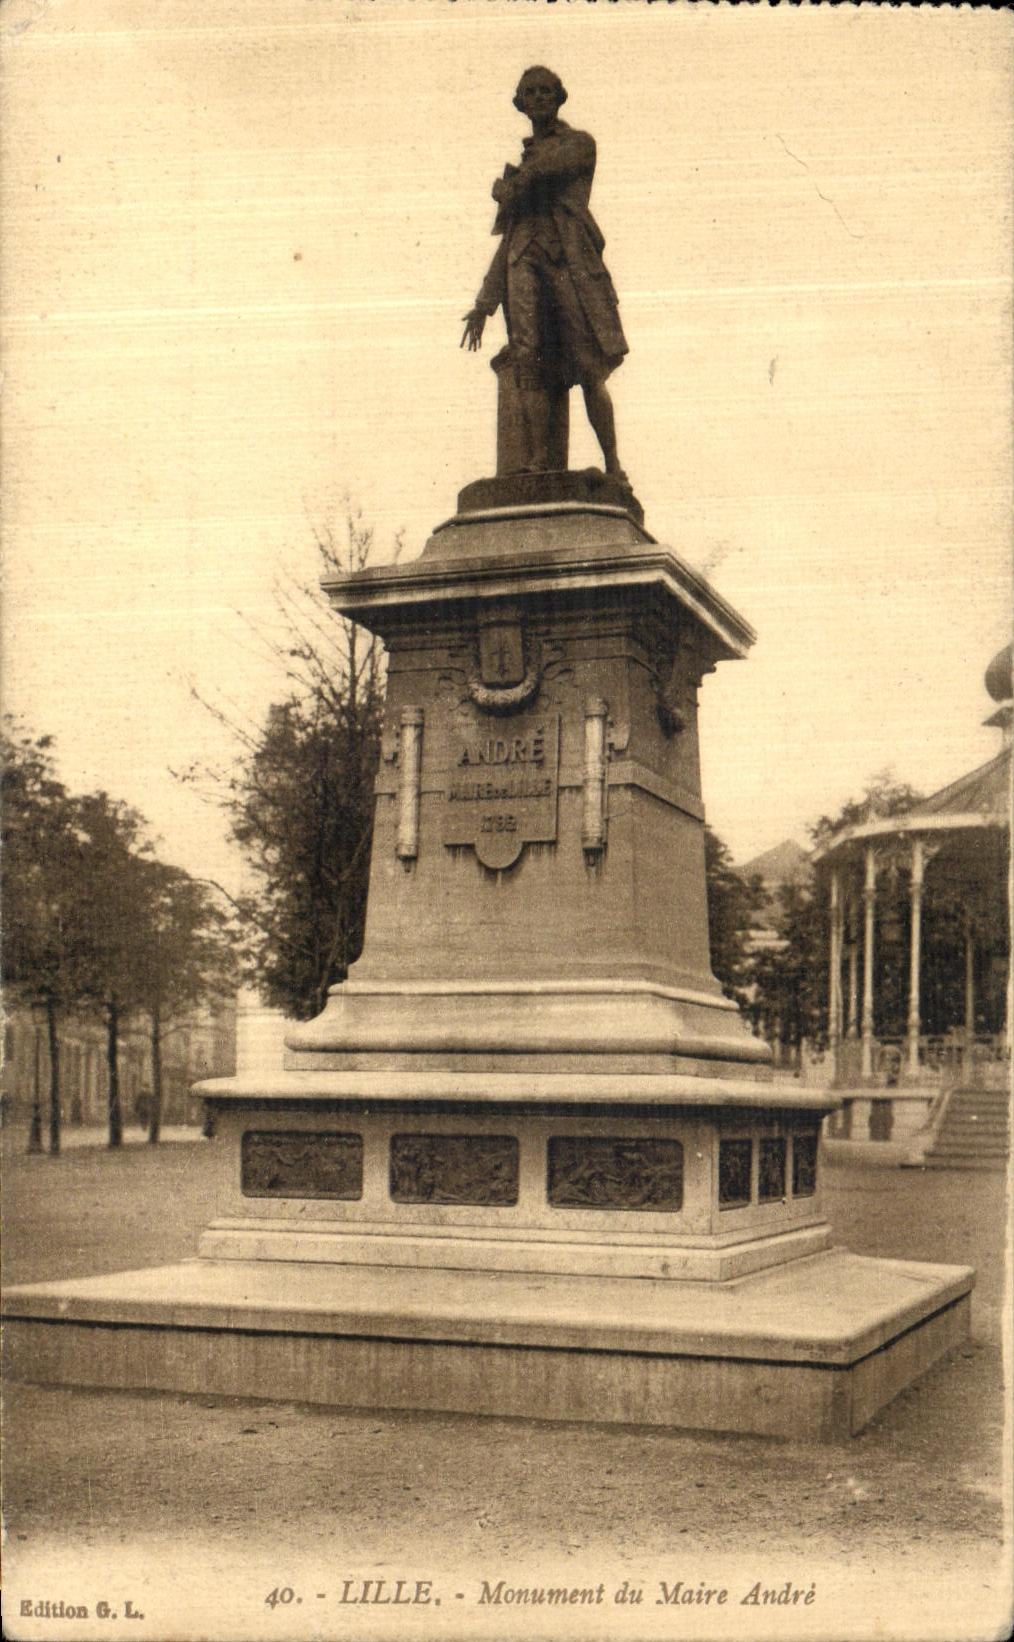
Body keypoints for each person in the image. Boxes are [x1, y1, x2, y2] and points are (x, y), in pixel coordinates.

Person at [461, 66, 628, 478]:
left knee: (589, 366)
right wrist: (484, 304)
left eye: (545, 91)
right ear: (520, 103)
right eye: (530, 92)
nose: (538, 97)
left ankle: (614, 467)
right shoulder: (524, 168)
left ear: (558, 98)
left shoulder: (578, 144)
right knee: (528, 362)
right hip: (525, 266)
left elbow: (547, 170)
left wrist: (511, 187)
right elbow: (508, 242)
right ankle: (537, 461)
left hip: (569, 266)